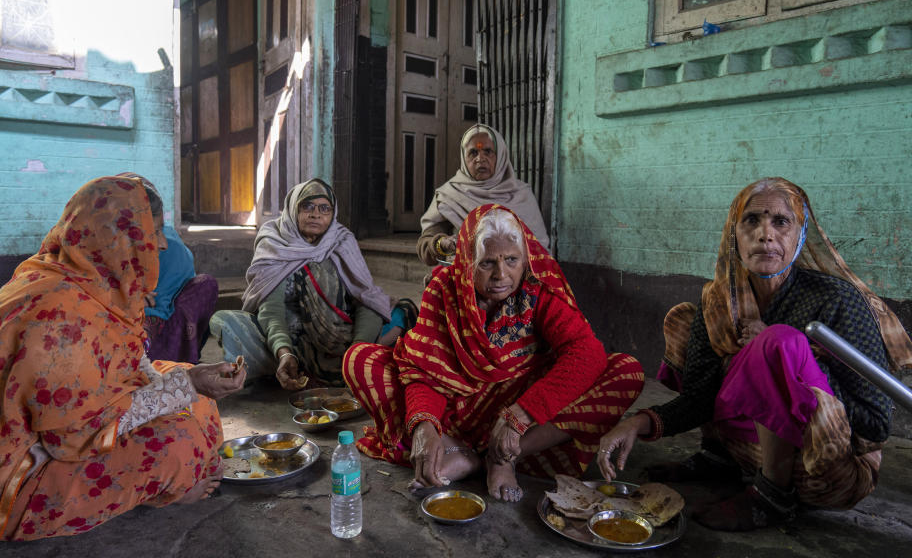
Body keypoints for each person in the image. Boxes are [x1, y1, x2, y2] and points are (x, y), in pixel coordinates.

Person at [595, 178, 912, 531]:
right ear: (735, 233)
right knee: (685, 320)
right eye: (751, 221)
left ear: (800, 235)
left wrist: (798, 363)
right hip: (746, 450)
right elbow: (701, 399)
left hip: (826, 465)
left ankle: (772, 497)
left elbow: (876, 424)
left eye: (781, 221)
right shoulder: (720, 302)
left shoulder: (836, 300)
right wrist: (637, 423)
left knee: (778, 343)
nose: (765, 234)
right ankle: (720, 458)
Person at [0, 175, 246, 552]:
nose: (158, 244)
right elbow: (72, 436)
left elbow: (130, 360)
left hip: (77, 423)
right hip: (13, 471)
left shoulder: (93, 284)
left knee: (190, 389)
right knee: (179, 442)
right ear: (112, 236)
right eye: (149, 232)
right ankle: (177, 485)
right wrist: (184, 390)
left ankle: (186, 471)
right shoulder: (56, 315)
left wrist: (182, 385)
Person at [344, 204, 643, 502]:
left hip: (516, 410)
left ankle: (501, 457)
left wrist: (521, 414)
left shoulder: (537, 291)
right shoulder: (444, 290)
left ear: (525, 259)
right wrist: (425, 425)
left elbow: (586, 353)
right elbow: (426, 372)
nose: (502, 274)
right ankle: (452, 449)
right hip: (453, 410)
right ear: (467, 262)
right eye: (487, 263)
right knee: (359, 359)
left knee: (625, 373)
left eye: (511, 260)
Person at [210, 178, 417, 389]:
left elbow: (366, 298)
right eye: (307, 206)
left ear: (332, 214)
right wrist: (285, 351)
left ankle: (351, 362)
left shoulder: (342, 242)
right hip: (296, 340)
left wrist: (357, 350)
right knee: (225, 320)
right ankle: (287, 363)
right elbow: (271, 312)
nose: (315, 214)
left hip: (344, 332)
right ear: (293, 209)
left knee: (402, 311)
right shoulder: (275, 243)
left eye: (324, 208)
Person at [416, 124, 550, 268]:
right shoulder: (449, 195)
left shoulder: (521, 194)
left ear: (501, 156)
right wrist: (441, 244)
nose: (480, 158)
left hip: (515, 282)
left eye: (488, 151)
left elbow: (540, 250)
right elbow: (425, 246)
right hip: (465, 280)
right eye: (473, 152)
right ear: (464, 158)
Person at [142, 222, 218, 363]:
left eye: (159, 230)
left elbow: (159, 305)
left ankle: (186, 359)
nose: (163, 244)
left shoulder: (173, 250)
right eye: (155, 232)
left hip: (165, 330)